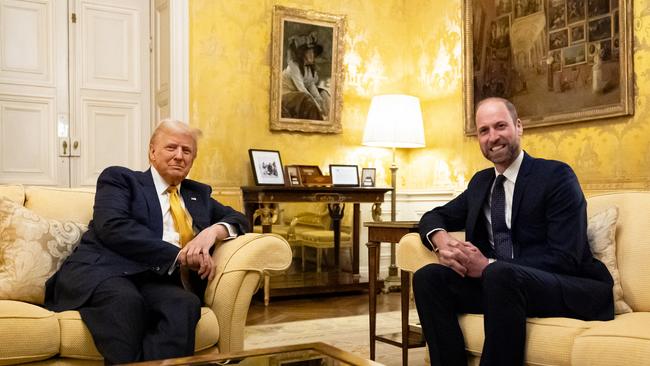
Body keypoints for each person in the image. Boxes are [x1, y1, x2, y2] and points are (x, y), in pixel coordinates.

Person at [413, 97, 614, 366]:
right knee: (429, 278)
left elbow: (568, 257)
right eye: (484, 131)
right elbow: (433, 216)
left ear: (518, 127)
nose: (493, 137)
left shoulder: (556, 176)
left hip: (565, 286)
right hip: (502, 288)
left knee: (498, 273)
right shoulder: (481, 183)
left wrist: (487, 266)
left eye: (500, 126)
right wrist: (441, 241)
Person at [44, 120, 249, 364]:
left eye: (187, 151)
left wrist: (213, 232)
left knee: (184, 304)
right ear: (152, 152)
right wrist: (179, 255)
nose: (179, 156)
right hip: (105, 272)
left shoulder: (197, 194)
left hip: (155, 279)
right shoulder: (121, 180)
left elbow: (240, 219)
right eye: (171, 147)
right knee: (126, 302)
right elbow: (113, 226)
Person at [281, 32, 330, 120]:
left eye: (313, 52)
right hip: (286, 96)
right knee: (306, 97)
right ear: (302, 54)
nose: (312, 55)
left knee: (323, 93)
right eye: (309, 52)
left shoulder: (308, 68)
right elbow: (302, 89)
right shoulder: (293, 66)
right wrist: (318, 108)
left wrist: (320, 101)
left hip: (299, 94)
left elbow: (311, 86)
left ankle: (328, 119)